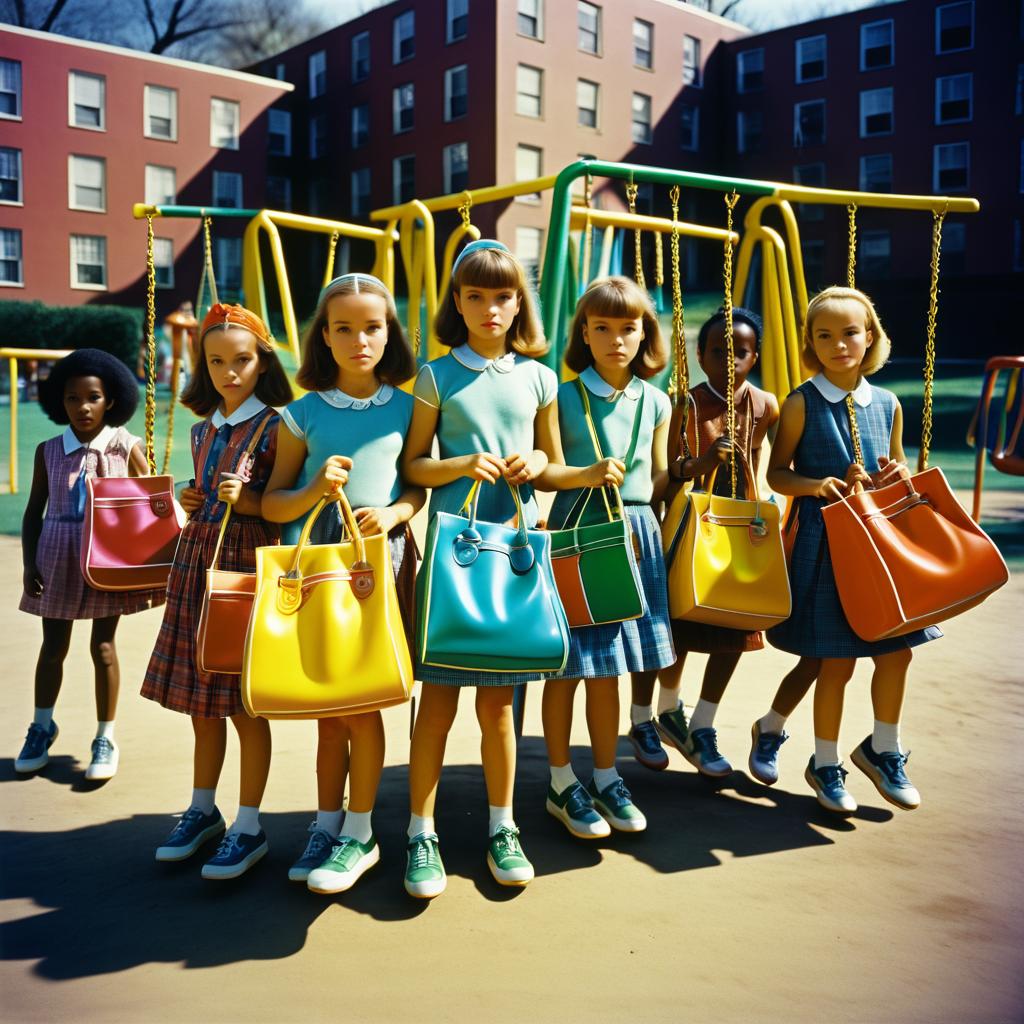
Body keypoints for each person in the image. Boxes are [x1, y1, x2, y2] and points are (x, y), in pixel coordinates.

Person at [400, 239, 559, 897]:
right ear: (457, 304)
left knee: (499, 705)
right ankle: (420, 832)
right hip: (453, 548)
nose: (490, 308)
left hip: (514, 546)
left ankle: (502, 825)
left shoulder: (541, 377)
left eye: (502, 296)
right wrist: (462, 464)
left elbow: (551, 459)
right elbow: (415, 464)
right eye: (475, 296)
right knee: (436, 702)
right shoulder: (436, 375)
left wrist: (534, 465)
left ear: (518, 302)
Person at [261, 273, 421, 894]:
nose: (359, 339)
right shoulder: (300, 415)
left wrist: (397, 513)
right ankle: (327, 823)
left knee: (366, 697)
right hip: (323, 569)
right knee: (331, 707)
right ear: (323, 337)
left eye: (372, 327)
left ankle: (361, 829)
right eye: (344, 328)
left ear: (390, 334)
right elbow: (273, 504)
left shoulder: (411, 408)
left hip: (383, 563)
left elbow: (417, 484)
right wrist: (312, 489)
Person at [766, 286, 939, 814]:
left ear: (870, 339)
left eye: (849, 333)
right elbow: (778, 473)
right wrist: (818, 484)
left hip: (879, 545)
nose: (838, 344)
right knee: (835, 662)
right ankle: (824, 764)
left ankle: (884, 748)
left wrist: (894, 476)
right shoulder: (801, 401)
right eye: (824, 336)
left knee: (898, 650)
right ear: (810, 344)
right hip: (826, 544)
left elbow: (900, 465)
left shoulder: (887, 403)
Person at [143, 304, 294, 878]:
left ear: (262, 363)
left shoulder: (279, 426)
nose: (229, 371)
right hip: (198, 562)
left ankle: (249, 825)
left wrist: (246, 501)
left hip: (246, 568)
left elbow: (284, 508)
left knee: (243, 704)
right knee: (200, 701)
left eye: (241, 360)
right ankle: (202, 810)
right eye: (216, 362)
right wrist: (190, 492)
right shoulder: (204, 428)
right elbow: (202, 488)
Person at [537, 276, 675, 838]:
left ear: (644, 334)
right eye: (603, 329)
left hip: (636, 529)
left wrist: (698, 471)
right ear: (585, 335)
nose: (617, 339)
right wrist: (586, 474)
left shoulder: (658, 399)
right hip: (577, 526)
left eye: (628, 328)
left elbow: (660, 479)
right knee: (567, 665)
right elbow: (546, 468)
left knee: (609, 668)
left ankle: (604, 774)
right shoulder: (561, 394)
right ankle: (560, 778)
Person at [631, 308, 780, 777]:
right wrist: (700, 464)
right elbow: (669, 471)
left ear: (756, 355)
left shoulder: (764, 404)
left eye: (741, 351)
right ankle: (644, 718)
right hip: (693, 523)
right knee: (673, 631)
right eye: (719, 351)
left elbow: (767, 466)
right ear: (700, 355)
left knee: (733, 633)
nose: (730, 359)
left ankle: (702, 723)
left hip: (740, 527)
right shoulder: (686, 404)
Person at [17, 348, 162, 781]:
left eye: (93, 397)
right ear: (59, 403)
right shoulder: (48, 451)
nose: (82, 407)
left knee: (103, 648)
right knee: (53, 647)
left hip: (106, 558)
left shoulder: (125, 444)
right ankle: (42, 726)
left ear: (110, 400)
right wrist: (29, 564)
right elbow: (32, 512)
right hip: (56, 556)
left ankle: (105, 736)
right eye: (72, 398)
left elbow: (151, 499)